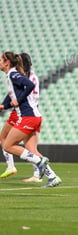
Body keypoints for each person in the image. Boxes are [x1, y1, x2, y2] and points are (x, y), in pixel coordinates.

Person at [0, 53, 62, 187]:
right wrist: (5, 105)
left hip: (28, 116)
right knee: (30, 149)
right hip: (35, 116)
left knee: (7, 145)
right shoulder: (19, 75)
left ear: (7, 62)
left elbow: (29, 85)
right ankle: (52, 177)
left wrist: (18, 101)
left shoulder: (13, 74)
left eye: (0, 60)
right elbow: (14, 94)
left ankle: (38, 162)